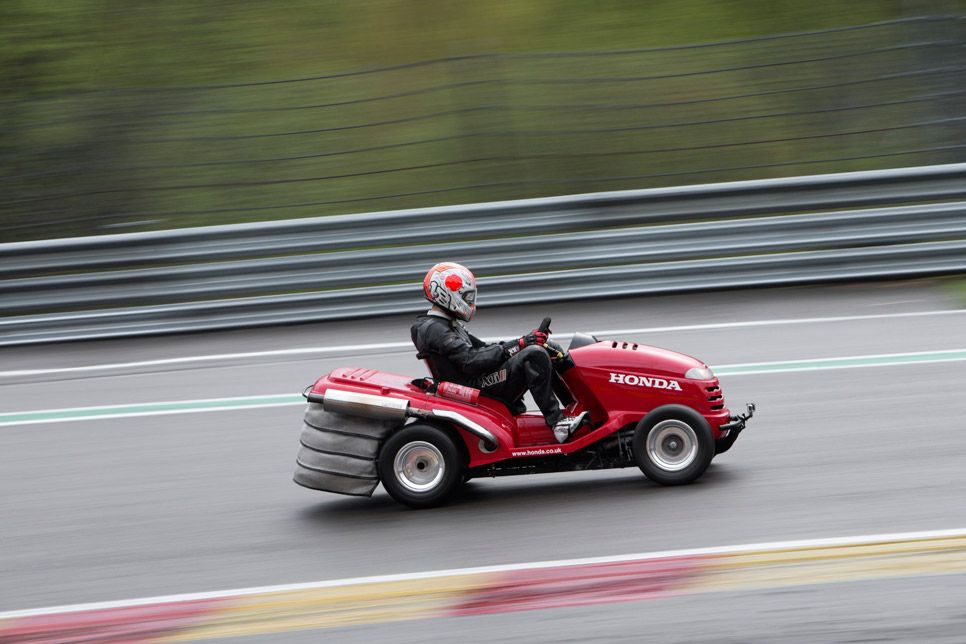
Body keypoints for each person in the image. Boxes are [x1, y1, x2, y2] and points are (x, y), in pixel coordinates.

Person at [411, 262, 588, 443]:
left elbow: (482, 348)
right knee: (534, 355)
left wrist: (524, 341)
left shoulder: (445, 324)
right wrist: (521, 344)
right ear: (447, 294)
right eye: (466, 297)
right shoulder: (434, 328)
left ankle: (575, 408)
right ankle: (558, 423)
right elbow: (472, 361)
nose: (470, 302)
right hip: (472, 389)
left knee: (547, 347)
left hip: (476, 380)